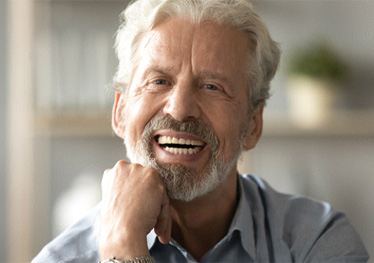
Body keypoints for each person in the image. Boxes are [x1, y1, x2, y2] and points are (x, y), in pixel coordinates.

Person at [33, 0, 369, 262]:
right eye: (159, 81)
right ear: (120, 112)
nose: (179, 109)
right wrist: (123, 245)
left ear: (253, 124)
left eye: (212, 87)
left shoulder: (316, 241)